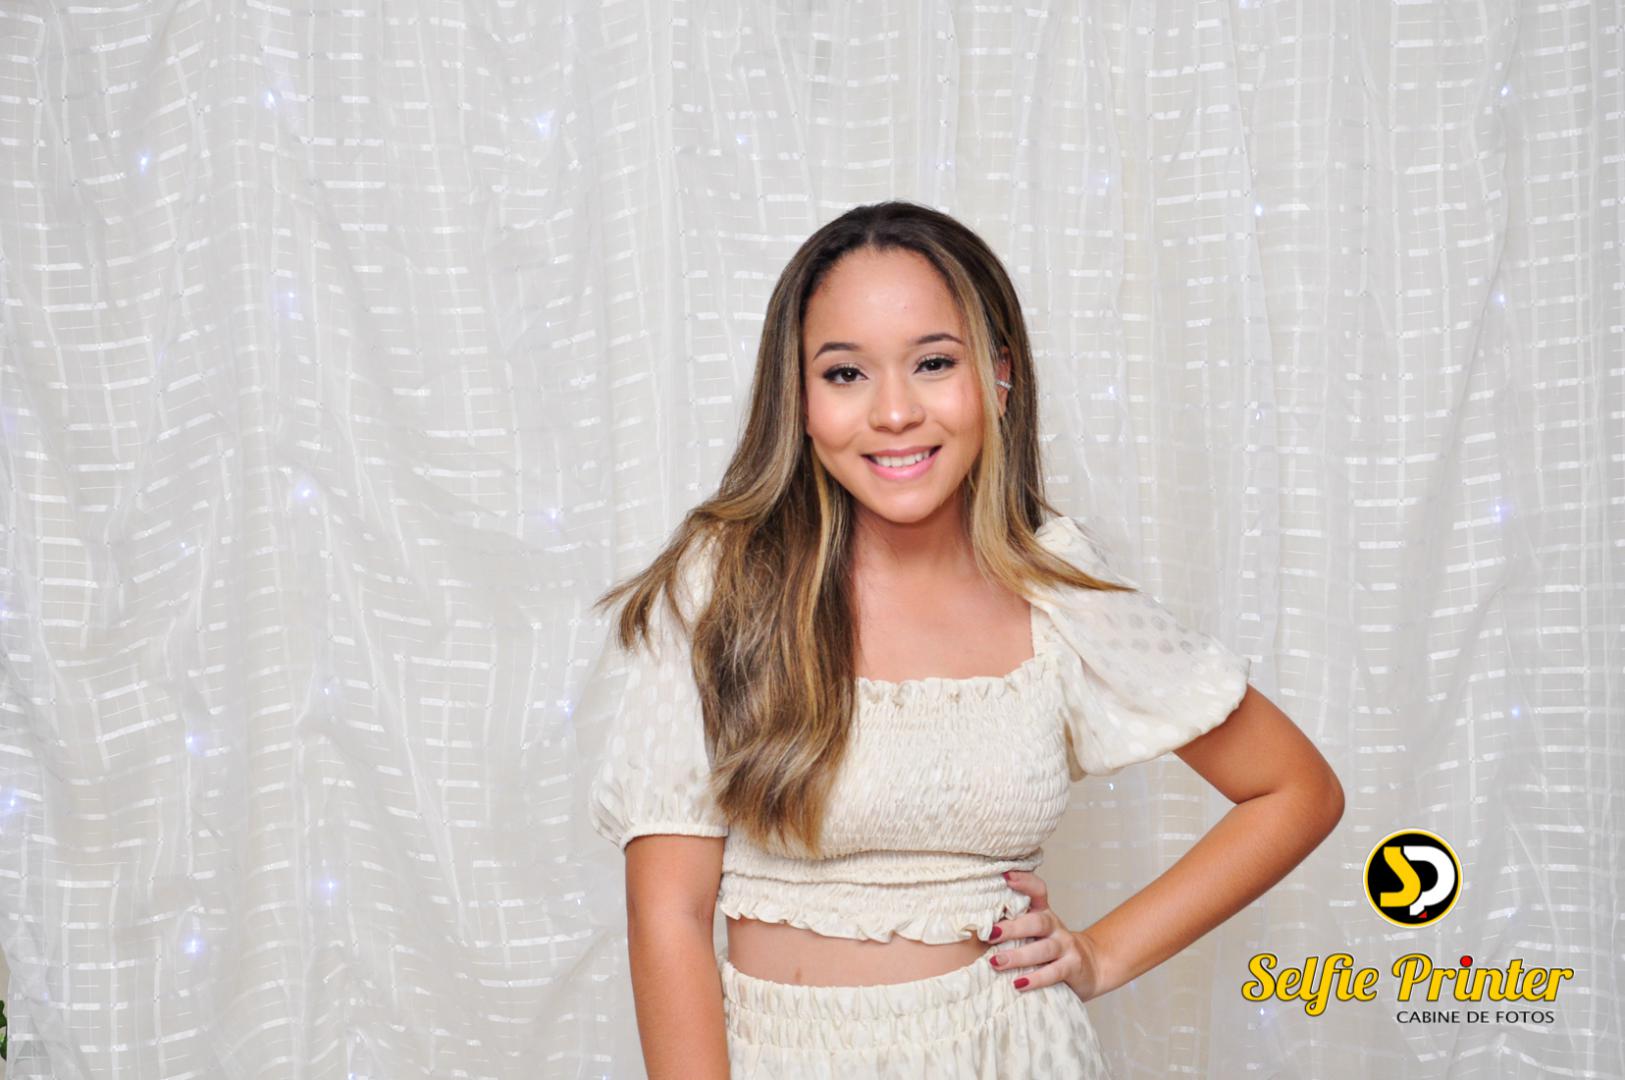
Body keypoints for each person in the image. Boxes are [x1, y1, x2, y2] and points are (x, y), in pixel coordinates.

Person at [584, 200, 1344, 1078]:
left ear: (998, 377)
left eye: (933, 363)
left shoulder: (1052, 581)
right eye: (844, 373)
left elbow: (1294, 790)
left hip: (1014, 1051)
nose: (894, 412)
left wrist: (1102, 955)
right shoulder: (725, 581)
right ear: (799, 400)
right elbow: (667, 915)